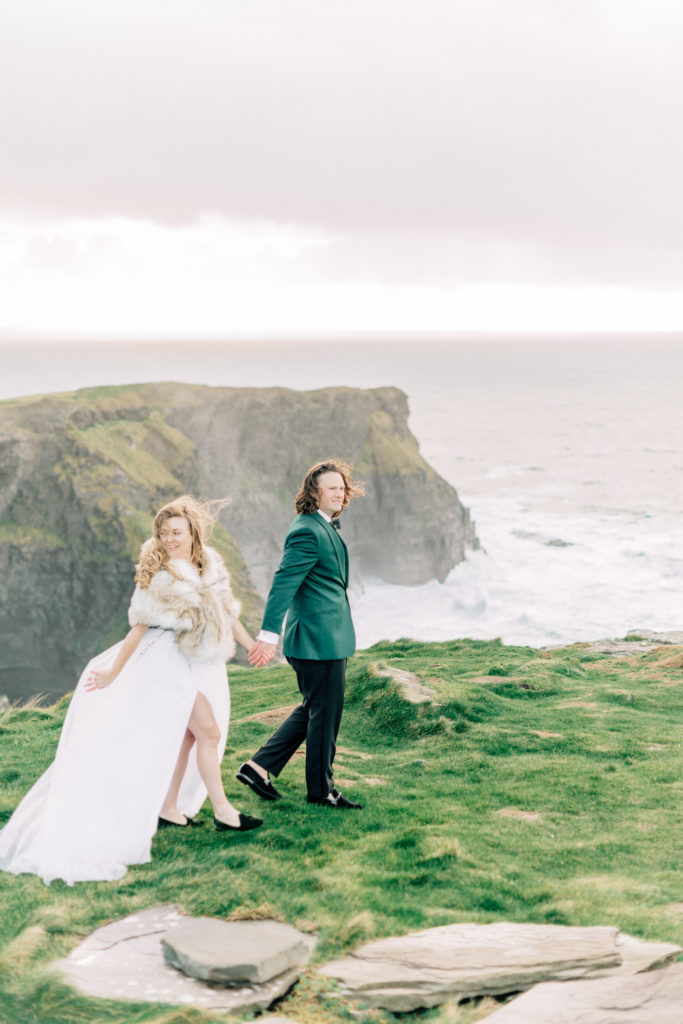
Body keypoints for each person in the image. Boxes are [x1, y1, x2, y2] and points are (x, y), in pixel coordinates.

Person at [0, 495, 270, 886]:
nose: (170, 539)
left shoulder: (210, 564)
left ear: (193, 532)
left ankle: (169, 806)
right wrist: (112, 672)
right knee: (208, 732)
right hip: (165, 663)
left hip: (196, 663)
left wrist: (251, 646)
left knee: (188, 737)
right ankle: (224, 811)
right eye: (164, 534)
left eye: (177, 532)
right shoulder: (161, 575)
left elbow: (226, 612)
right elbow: (138, 628)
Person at [238, 459, 365, 809]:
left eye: (342, 488)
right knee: (325, 716)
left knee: (315, 708)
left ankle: (258, 767)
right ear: (314, 492)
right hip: (316, 641)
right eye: (331, 488)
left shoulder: (322, 525)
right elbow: (283, 584)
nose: (339, 493)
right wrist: (267, 634)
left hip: (324, 637)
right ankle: (321, 792)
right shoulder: (307, 530)